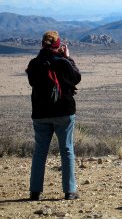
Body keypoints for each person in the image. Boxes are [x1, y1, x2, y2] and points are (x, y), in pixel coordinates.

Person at [26, 31, 81, 200]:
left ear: (42, 44)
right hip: (64, 112)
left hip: (40, 113)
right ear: (58, 46)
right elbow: (76, 78)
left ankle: (35, 192)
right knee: (66, 149)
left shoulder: (34, 64)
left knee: (40, 151)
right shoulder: (63, 63)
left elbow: (32, 81)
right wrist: (68, 59)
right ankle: (70, 191)